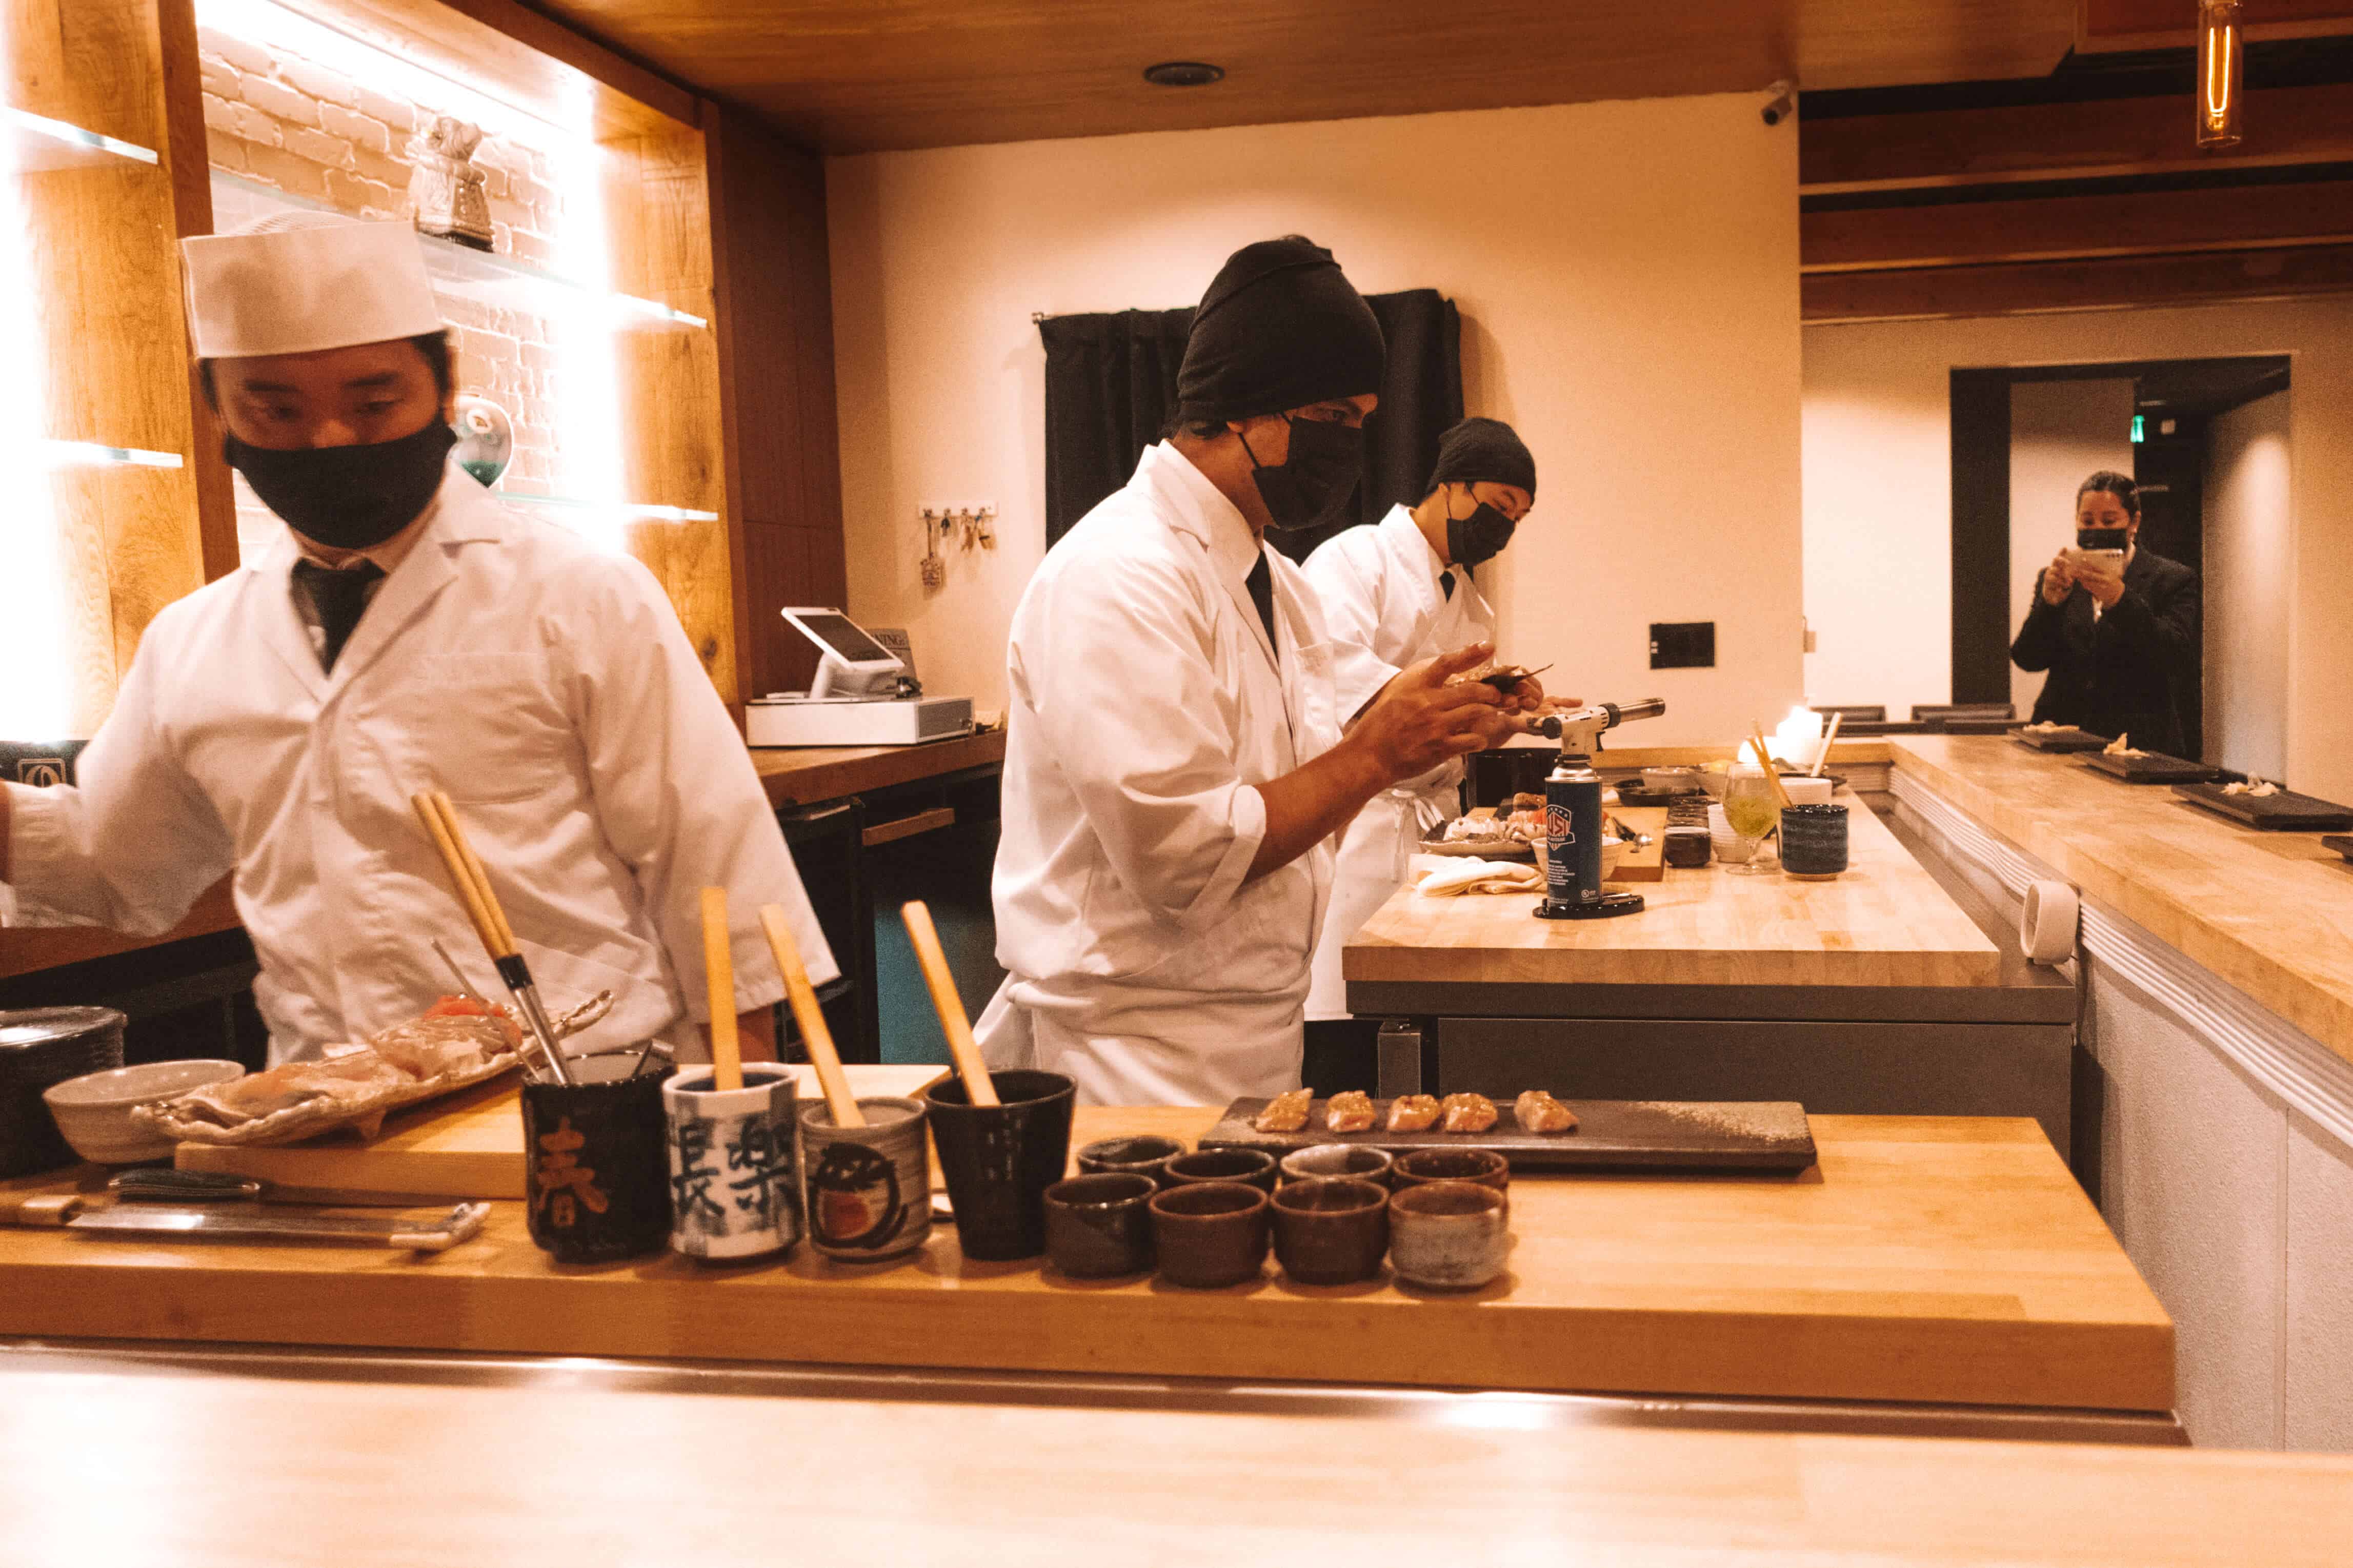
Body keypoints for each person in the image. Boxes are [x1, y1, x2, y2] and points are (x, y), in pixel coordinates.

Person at [0, 212, 833, 1064]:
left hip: (581, 1099)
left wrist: (736, 1116)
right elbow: (118, 865)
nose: (328, 439)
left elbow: (716, 877)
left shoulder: (581, 596)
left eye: (372, 402)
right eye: (275, 408)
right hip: (330, 1119)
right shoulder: (193, 643)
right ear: (217, 407)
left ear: (444, 386)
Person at [979, 236, 1530, 1106]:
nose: (1352, 446)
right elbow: (1186, 859)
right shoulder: (1119, 572)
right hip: (1129, 1055)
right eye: (1337, 418)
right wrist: (1375, 755)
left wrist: (1423, 730)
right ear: (1248, 408)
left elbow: (1304, 792)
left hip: (1253, 1034)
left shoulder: (1275, 585)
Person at [1299, 417, 1552, 1091]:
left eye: (1518, 519)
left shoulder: (1471, 605)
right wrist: (1456, 694)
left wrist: (1506, 715)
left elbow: (1458, 734)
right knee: (1342, 1024)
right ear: (1451, 484)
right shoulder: (1353, 561)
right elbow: (1329, 681)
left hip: (1434, 832)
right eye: (1499, 506)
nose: (1503, 527)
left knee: (1420, 1024)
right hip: (1359, 817)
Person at [2010, 470, 2202, 757]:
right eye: (2087, 521)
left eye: (2109, 521)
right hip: (2061, 740)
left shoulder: (2173, 579)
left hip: (2138, 743)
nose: (2097, 528)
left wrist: (2119, 600)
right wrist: (2050, 605)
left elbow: (2176, 655)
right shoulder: (2059, 578)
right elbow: (2028, 658)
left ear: (2133, 522)